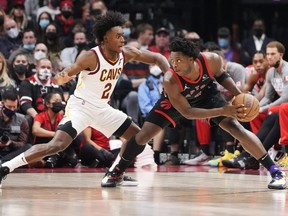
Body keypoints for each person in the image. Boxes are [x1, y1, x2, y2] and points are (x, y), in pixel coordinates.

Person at [0, 11, 181, 187]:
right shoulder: (90, 56)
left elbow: (157, 58)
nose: (122, 39)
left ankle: (115, 173)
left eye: (123, 35)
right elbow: (67, 73)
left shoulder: (126, 53)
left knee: (138, 137)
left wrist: (169, 77)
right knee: (57, 145)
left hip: (102, 108)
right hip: (81, 107)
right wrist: (62, 77)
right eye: (118, 35)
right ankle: (6, 167)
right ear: (106, 38)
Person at [101, 37, 286, 189]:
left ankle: (275, 171)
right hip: (175, 102)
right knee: (144, 135)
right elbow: (187, 112)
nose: (174, 64)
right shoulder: (170, 79)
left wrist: (239, 95)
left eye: (178, 60)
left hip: (206, 94)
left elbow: (221, 75)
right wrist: (224, 109)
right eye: (172, 60)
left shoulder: (210, 59)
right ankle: (117, 170)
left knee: (235, 128)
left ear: (192, 59)